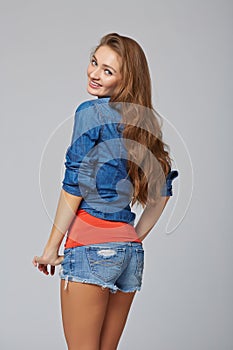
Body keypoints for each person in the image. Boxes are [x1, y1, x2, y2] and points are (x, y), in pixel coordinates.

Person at [32, 33, 178, 350]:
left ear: (127, 79)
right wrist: (132, 237)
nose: (95, 73)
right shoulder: (143, 123)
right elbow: (163, 189)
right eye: (94, 62)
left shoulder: (92, 112)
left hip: (90, 247)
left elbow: (75, 183)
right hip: (129, 253)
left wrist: (50, 249)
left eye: (108, 71)